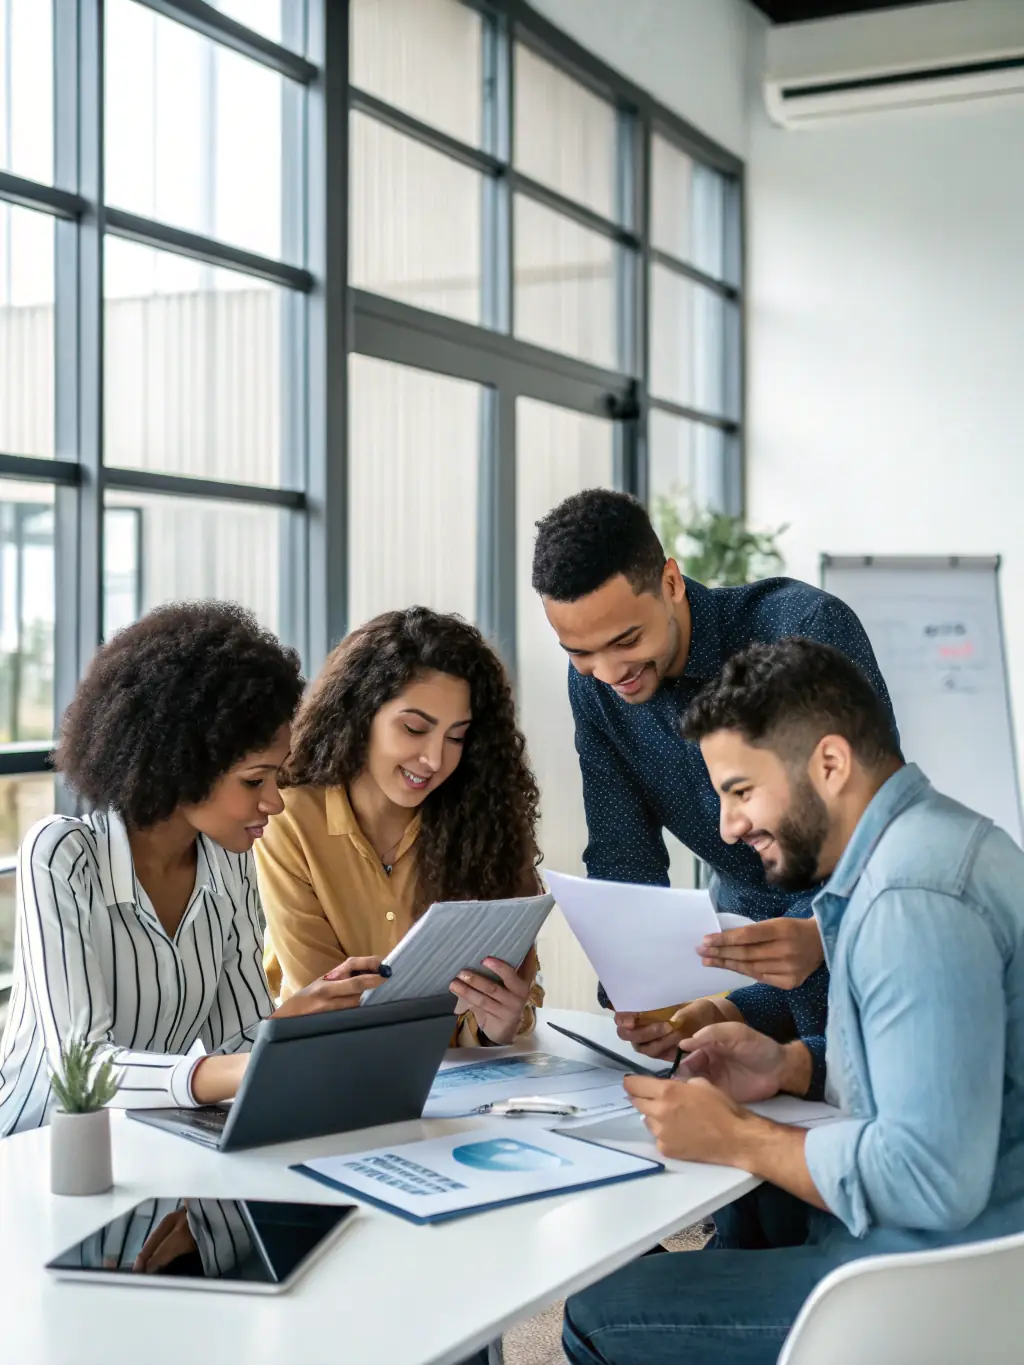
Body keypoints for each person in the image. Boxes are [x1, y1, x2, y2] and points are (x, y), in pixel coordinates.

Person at [562, 637, 1024, 1365]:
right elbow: (956, 1074)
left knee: (598, 1313)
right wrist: (790, 1066)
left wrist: (739, 1137)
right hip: (974, 1239)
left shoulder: (910, 901)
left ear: (830, 764)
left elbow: (929, 1178)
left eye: (741, 791)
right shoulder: (942, 842)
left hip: (938, 1283)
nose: (727, 827)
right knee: (751, 1213)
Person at [531, 489, 898, 1095]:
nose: (609, 672)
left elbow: (876, 822)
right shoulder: (596, 687)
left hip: (864, 952)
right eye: (580, 652)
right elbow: (623, 853)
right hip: (746, 981)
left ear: (671, 582)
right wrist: (644, 990)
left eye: (625, 641)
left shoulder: (803, 630)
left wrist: (822, 934)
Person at [0, 603, 389, 1137]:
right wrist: (248, 1065)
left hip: (148, 1148)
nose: (275, 802)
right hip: (34, 1150)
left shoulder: (231, 863)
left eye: (277, 778)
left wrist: (299, 1017)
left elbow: (237, 1043)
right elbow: (84, 1067)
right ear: (180, 763)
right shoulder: (63, 855)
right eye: (254, 781)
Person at [256, 606, 544, 1047]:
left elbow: (514, 1001)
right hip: (336, 1066)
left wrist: (495, 1028)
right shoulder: (289, 818)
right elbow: (324, 1003)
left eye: (456, 736)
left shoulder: (488, 823)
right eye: (413, 728)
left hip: (461, 1077)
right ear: (360, 714)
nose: (434, 759)